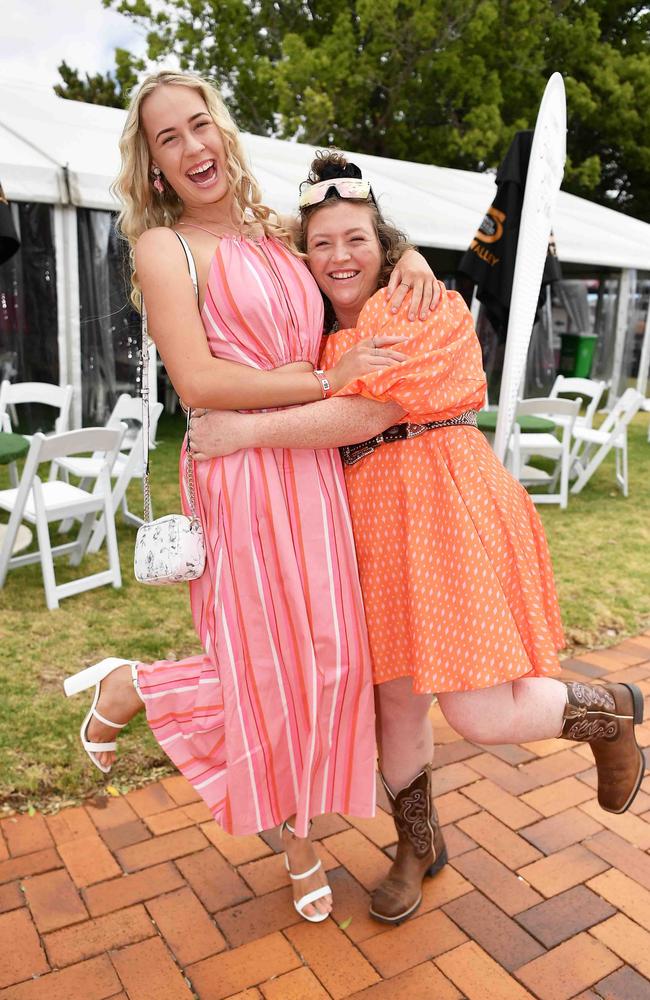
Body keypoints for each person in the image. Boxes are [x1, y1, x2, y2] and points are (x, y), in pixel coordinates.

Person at [189, 149, 646, 926]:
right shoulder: (313, 333)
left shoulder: (416, 304)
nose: (340, 256)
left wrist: (237, 434)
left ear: (383, 240)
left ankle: (605, 708)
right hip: (364, 528)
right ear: (306, 254)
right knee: (393, 709)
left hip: (442, 507)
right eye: (323, 241)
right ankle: (417, 845)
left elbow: (368, 415)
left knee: (476, 711)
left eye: (357, 237)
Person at [62, 73, 439, 924]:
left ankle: (135, 688)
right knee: (265, 661)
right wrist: (320, 377)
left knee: (333, 661)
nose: (193, 147)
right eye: (169, 139)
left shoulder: (277, 229)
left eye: (200, 125)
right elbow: (196, 378)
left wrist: (406, 252)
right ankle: (295, 836)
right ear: (154, 167)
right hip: (238, 468)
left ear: (221, 131)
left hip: (312, 462)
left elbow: (355, 251)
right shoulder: (165, 248)